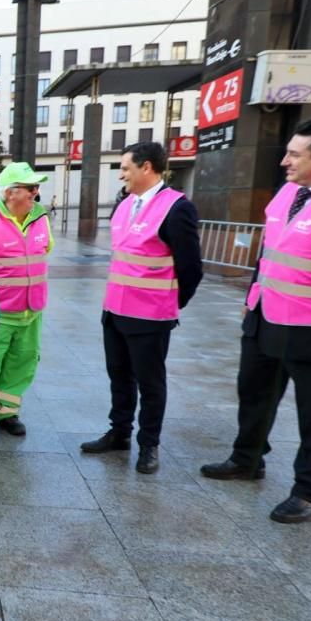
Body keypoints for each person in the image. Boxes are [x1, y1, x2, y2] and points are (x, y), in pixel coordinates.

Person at [200, 119, 311, 523]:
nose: (285, 161)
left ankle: (308, 490)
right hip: (267, 318)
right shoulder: (287, 194)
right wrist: (252, 297)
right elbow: (269, 255)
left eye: (296, 154)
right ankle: (247, 459)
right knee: (254, 393)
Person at [80, 141, 202, 474]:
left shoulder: (177, 208)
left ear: (147, 167)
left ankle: (149, 444)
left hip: (150, 316)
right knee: (119, 376)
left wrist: (170, 303)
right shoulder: (125, 204)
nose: (122, 175)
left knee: (150, 382)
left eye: (126, 168)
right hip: (115, 311)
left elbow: (191, 268)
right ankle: (119, 432)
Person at [0, 162, 52, 436]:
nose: (35, 193)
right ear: (10, 192)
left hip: (32, 311)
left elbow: (45, 251)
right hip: (0, 313)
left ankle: (8, 413)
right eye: (30, 188)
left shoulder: (41, 218)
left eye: (36, 188)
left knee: (23, 362)